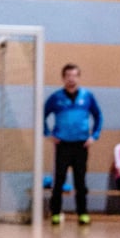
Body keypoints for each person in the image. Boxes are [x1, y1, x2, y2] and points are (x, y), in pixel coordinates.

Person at [44, 63, 103, 225]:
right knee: (59, 180)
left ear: (78, 77)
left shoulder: (87, 96)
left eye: (74, 75)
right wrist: (48, 133)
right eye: (68, 76)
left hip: (81, 145)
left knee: (80, 181)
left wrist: (94, 136)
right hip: (63, 145)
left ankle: (82, 214)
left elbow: (98, 116)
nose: (71, 79)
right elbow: (42, 114)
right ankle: (56, 213)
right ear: (63, 78)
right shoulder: (56, 98)